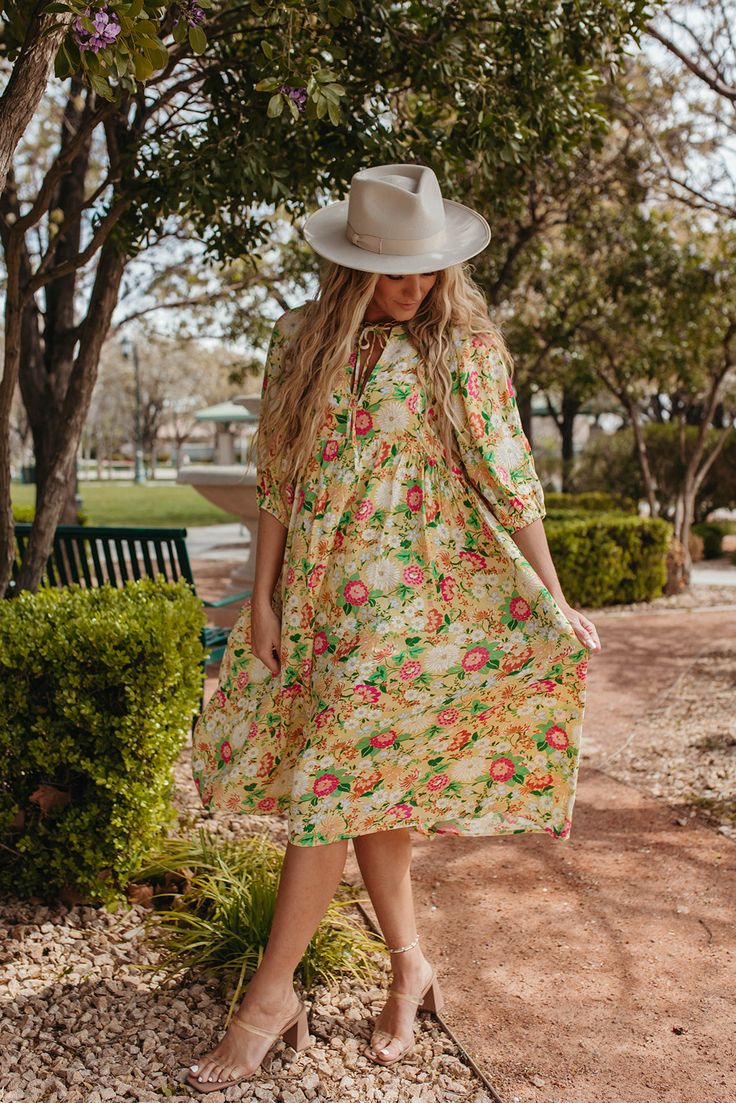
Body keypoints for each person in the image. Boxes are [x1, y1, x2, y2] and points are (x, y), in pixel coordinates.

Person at [186, 163, 601, 1093]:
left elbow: (510, 476)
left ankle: (269, 1000)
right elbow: (279, 481)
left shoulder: (465, 345)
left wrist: (553, 590)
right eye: (396, 272)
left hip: (422, 600)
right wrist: (263, 595)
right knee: (366, 787)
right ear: (349, 269)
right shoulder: (299, 341)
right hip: (330, 594)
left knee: (335, 779)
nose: (416, 287)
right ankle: (409, 962)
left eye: (427, 269)